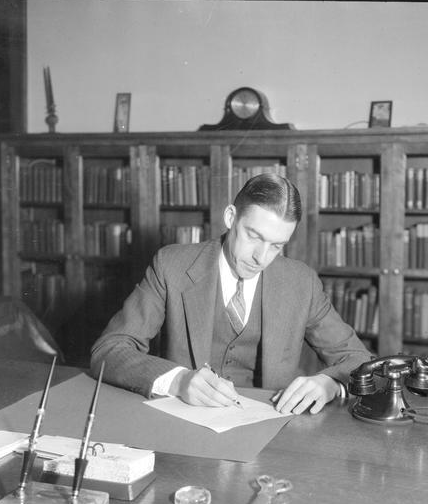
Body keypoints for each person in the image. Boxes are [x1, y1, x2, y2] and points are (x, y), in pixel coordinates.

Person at [91, 173, 371, 415]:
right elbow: (109, 350)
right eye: (254, 236)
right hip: (186, 426)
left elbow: (360, 360)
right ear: (230, 217)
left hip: (269, 433)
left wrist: (331, 384)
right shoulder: (172, 266)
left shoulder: (301, 282)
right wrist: (179, 381)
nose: (261, 257)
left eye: (276, 246)